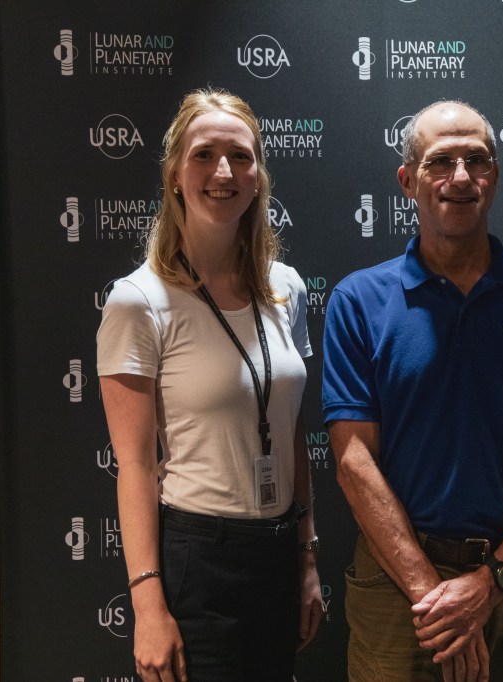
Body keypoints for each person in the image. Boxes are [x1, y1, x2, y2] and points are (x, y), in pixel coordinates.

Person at [322, 100, 503, 682]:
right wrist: (434, 597)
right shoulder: (357, 301)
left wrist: (492, 582)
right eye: (441, 161)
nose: (462, 177)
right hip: (400, 583)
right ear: (408, 181)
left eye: (478, 160)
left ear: (496, 175)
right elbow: (352, 461)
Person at [97, 88, 323, 682]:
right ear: (175, 175)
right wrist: (148, 607)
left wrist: (306, 556)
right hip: (198, 561)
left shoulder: (287, 289)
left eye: (240, 156)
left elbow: (291, 434)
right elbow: (134, 466)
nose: (223, 172)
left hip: (278, 554)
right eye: (204, 154)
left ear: (258, 177)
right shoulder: (139, 301)